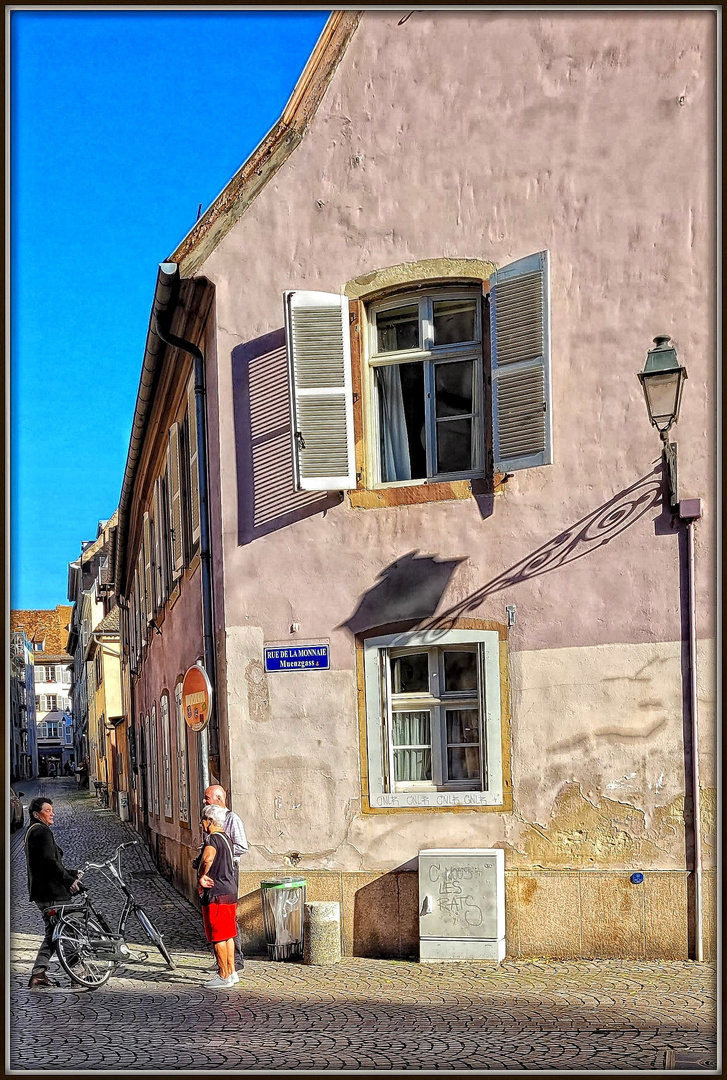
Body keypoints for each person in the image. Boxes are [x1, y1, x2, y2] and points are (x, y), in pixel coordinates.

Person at [24, 797, 83, 988]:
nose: (52, 813)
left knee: (53, 933)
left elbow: (48, 862)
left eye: (52, 810)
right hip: (51, 894)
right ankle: (78, 973)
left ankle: (39, 974)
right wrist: (70, 880)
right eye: (48, 810)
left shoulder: (34, 831)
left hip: (43, 892)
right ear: (36, 814)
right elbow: (50, 863)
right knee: (67, 930)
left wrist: (71, 873)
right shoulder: (41, 832)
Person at [201, 784, 248, 973]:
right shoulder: (212, 826)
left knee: (227, 920)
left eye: (207, 798)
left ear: (219, 799)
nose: (204, 801)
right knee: (219, 923)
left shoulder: (231, 819)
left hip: (227, 871)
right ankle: (223, 962)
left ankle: (234, 962)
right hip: (216, 872)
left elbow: (242, 846)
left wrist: (222, 854)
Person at [197, 804, 239, 988]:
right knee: (228, 935)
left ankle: (223, 975)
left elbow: (208, 858)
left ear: (210, 821)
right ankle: (231, 972)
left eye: (204, 819)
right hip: (230, 891)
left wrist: (201, 876)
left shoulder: (212, 839)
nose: (202, 823)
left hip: (216, 894)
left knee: (218, 937)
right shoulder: (226, 838)